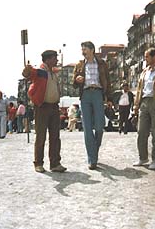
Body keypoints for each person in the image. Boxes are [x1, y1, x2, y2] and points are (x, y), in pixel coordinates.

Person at [22, 50, 67, 173]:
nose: (56, 60)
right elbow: (28, 74)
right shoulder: (40, 71)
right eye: (54, 58)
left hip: (53, 107)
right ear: (48, 59)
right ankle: (38, 163)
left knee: (55, 136)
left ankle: (55, 163)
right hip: (42, 107)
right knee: (41, 136)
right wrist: (27, 70)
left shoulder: (52, 72)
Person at [73, 41, 111, 170]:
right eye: (82, 49)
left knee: (100, 126)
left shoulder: (102, 64)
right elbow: (74, 84)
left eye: (85, 49)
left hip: (98, 94)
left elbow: (108, 81)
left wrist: (109, 98)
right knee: (87, 128)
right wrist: (77, 80)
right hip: (85, 95)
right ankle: (92, 159)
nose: (83, 52)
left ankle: (94, 151)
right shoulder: (79, 65)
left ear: (92, 50)